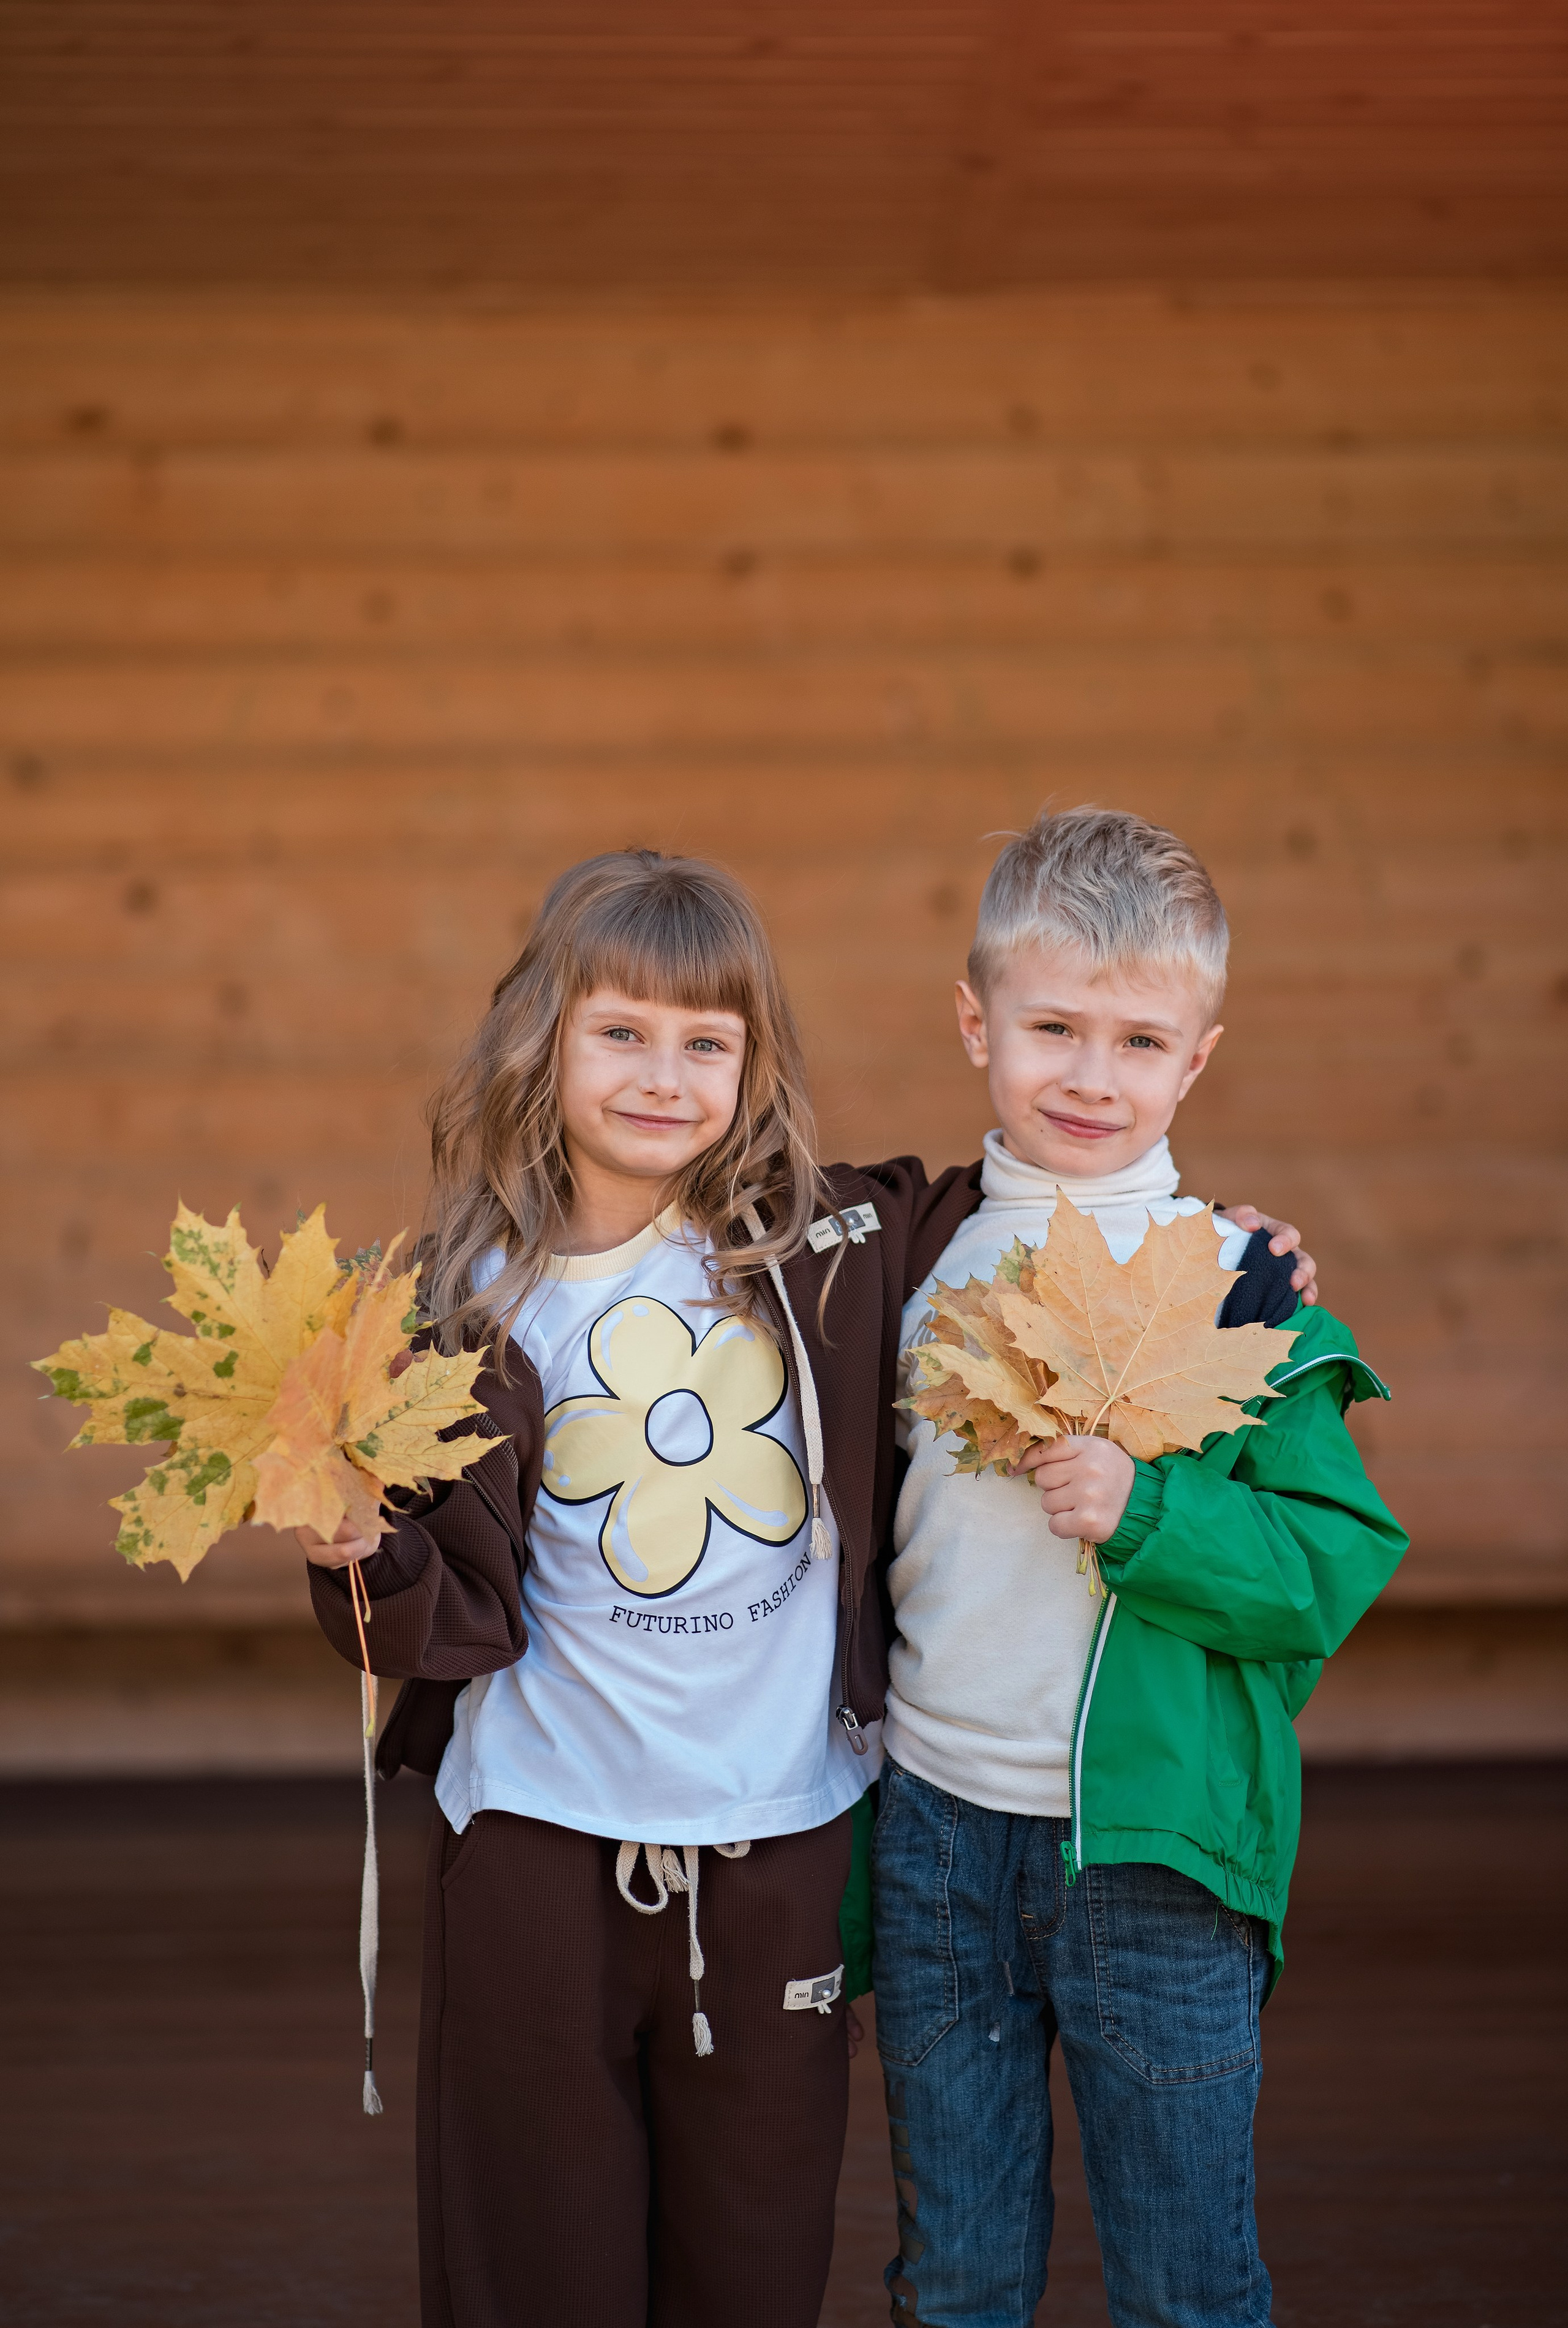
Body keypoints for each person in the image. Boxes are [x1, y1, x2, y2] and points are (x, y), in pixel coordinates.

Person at [296, 845, 1316, 2328]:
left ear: (752, 1062)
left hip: (777, 1839)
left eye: (705, 1042)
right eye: (621, 1032)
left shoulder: (838, 1244)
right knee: (535, 2249)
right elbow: (440, 1600)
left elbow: (1049, 1200)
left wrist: (1239, 1256)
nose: (664, 1074)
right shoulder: (459, 1301)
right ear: (545, 1037)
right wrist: (355, 1550)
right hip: (534, 1825)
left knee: (753, 2250)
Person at [870, 807, 1408, 2328]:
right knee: (956, 2271)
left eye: (1136, 1039)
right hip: (934, 1834)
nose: (1090, 1075)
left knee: (1184, 2277)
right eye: (1050, 1026)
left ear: (1196, 1056)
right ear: (974, 1019)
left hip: (1156, 1862)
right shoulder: (902, 1260)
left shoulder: (1241, 1291)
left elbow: (1323, 1567)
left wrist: (1146, 1516)